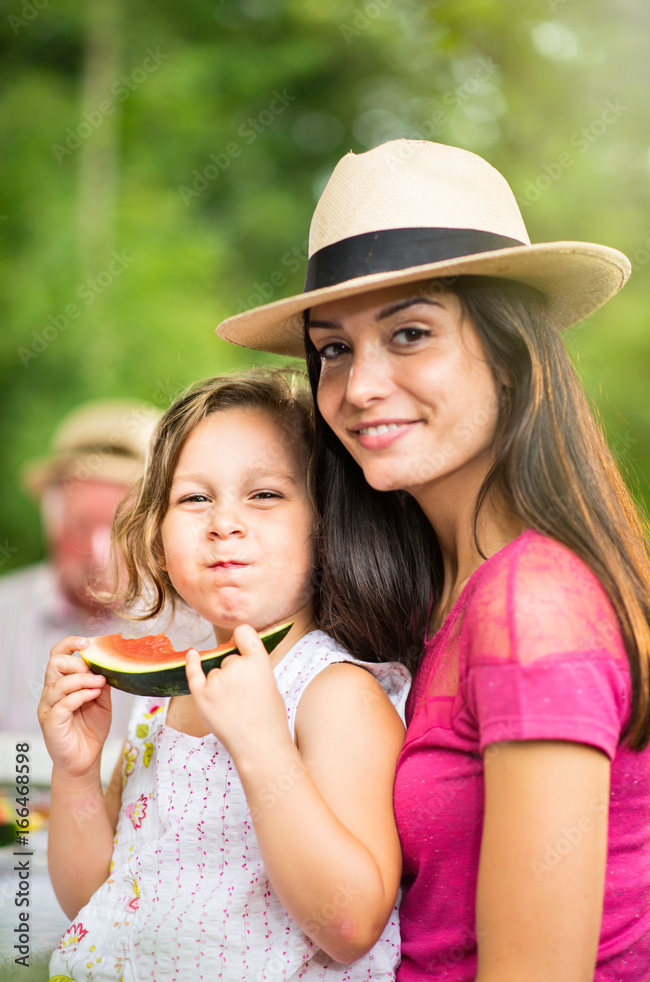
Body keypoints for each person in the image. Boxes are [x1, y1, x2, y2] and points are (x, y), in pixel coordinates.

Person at [217, 140, 650, 981]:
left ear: (508, 354)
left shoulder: (533, 608)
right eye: (334, 349)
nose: (358, 388)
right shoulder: (444, 591)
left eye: (410, 333)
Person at [40, 369, 410, 981]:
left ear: (325, 525)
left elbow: (350, 926)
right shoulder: (162, 703)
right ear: (157, 538)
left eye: (264, 494)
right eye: (194, 498)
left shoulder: (335, 693)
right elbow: (92, 902)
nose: (223, 523)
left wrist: (263, 749)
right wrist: (75, 772)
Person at [0, 398, 215, 736]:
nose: (98, 555)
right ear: (52, 525)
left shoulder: (201, 633)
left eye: (119, 529)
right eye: (81, 526)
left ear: (153, 533)